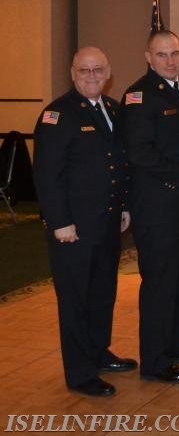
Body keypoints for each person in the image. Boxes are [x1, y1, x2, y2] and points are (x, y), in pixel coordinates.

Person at [33, 47, 137, 397]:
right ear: (72, 73)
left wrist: (123, 206)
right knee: (75, 299)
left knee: (102, 293)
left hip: (106, 222)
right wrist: (59, 221)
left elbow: (116, 163)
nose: (91, 76)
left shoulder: (111, 109)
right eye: (84, 70)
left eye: (97, 70)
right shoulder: (57, 114)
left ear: (108, 74)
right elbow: (48, 175)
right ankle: (80, 373)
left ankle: (98, 351)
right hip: (73, 228)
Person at [120, 30, 179, 384]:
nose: (170, 61)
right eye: (162, 55)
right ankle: (155, 361)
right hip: (157, 205)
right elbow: (138, 152)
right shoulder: (138, 96)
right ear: (148, 57)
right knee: (159, 282)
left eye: (175, 53)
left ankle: (176, 343)